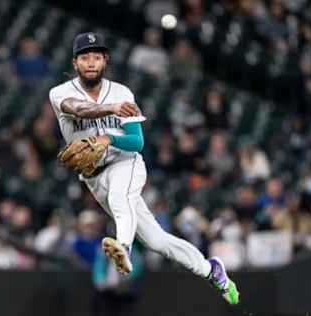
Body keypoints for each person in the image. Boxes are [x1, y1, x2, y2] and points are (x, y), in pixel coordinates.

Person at [48, 32, 239, 305]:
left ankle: (122, 247)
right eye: (85, 57)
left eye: (97, 57)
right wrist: (110, 110)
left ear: (105, 61)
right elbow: (77, 108)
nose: (91, 62)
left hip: (126, 162)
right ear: (75, 62)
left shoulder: (122, 92)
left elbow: (136, 142)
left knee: (119, 197)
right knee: (156, 241)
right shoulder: (60, 93)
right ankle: (211, 270)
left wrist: (110, 138)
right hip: (94, 177)